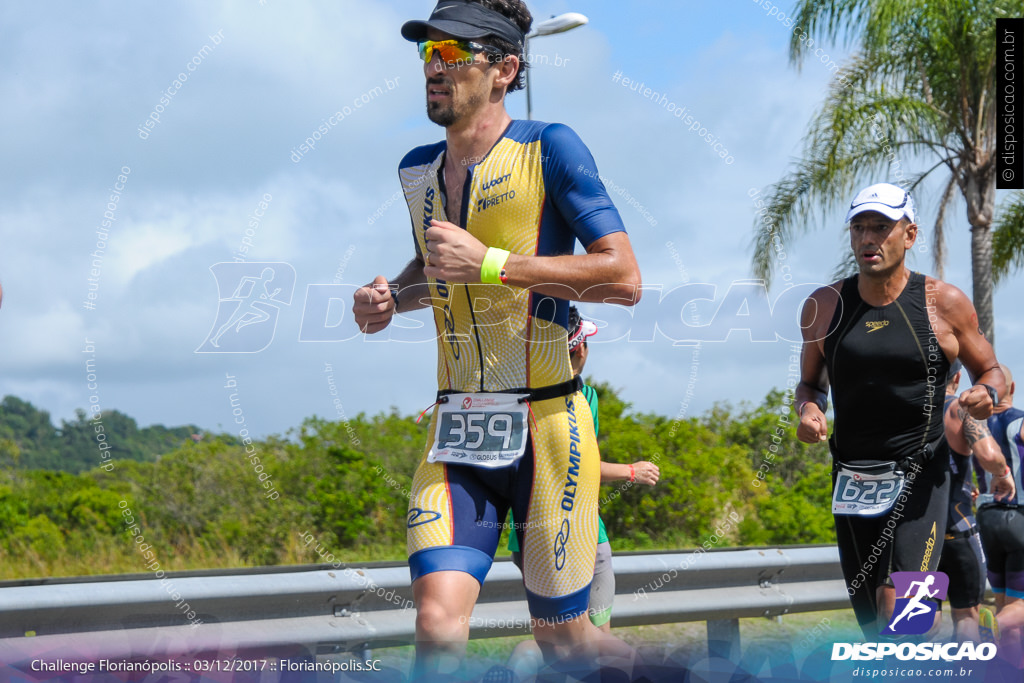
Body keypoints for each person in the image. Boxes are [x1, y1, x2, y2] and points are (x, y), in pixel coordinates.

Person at [351, 1, 642, 678]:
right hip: (457, 429)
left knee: (566, 642)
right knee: (435, 619)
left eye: (453, 56)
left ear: (506, 69)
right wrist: (391, 298)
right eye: (429, 55)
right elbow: (437, 270)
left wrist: (491, 263)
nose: (435, 69)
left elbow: (623, 278)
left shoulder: (551, 148)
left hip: (546, 424)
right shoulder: (416, 170)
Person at [795, 182, 1006, 639]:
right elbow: (810, 383)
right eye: (859, 228)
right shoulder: (824, 305)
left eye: (881, 227)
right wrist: (810, 410)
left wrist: (986, 394)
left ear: (909, 235)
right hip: (852, 476)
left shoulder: (942, 303)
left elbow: (991, 370)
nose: (868, 238)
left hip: (921, 474)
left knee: (906, 607)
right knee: (872, 620)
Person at [504, 307, 659, 680]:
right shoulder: (583, 397)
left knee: (551, 643)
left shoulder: (510, 394)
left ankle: (519, 665)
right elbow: (579, 467)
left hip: (526, 538)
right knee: (593, 642)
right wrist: (630, 471)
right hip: (585, 540)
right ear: (578, 352)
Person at [938, 361, 1014, 642]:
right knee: (966, 616)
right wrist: (1003, 474)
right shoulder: (959, 408)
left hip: (916, 535)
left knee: (918, 619)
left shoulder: (905, 416)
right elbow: (989, 455)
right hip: (956, 529)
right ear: (957, 377)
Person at [976, 364, 1024, 657]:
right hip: (1019, 518)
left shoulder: (974, 427)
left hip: (987, 519)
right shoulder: (1019, 421)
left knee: (1005, 597)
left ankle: (1008, 669)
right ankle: (994, 623)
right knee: (1016, 607)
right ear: (1013, 388)